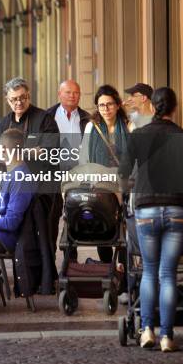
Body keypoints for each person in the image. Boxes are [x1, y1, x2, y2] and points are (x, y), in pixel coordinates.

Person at [119, 87, 183, 352]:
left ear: (153, 108)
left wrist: (135, 183)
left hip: (146, 209)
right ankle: (167, 336)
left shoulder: (138, 136)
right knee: (168, 274)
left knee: (148, 272)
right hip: (178, 209)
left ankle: (147, 332)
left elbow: (123, 175)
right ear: (175, 108)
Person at [0, 77, 60, 253]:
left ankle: (48, 278)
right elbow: (0, 155)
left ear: (29, 96)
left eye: (22, 97)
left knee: (45, 239)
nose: (19, 102)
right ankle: (25, 279)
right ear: (7, 100)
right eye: (14, 99)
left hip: (44, 190)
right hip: (17, 190)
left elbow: (51, 150)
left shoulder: (44, 119)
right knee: (21, 240)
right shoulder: (4, 123)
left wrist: (19, 154)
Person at [78, 85, 130, 273]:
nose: (105, 109)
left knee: (124, 230)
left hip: (124, 185)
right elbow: (84, 157)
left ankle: (124, 277)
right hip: (99, 183)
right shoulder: (92, 127)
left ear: (117, 105)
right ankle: (109, 269)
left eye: (109, 104)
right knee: (101, 226)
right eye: (101, 105)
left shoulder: (128, 125)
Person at [47, 79, 90, 168]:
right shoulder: (47, 116)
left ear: (80, 95)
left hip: (80, 171)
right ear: (59, 94)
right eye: (68, 92)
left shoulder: (88, 119)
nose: (72, 96)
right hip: (54, 170)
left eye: (76, 93)